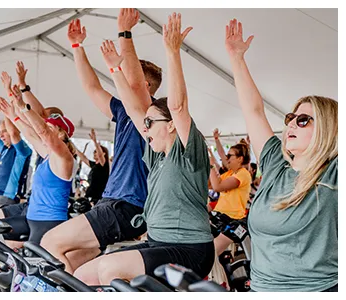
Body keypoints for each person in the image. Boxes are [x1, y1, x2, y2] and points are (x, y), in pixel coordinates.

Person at [73, 14, 215, 285]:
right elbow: (132, 108)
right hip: (158, 242)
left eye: (151, 122)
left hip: (190, 249)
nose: (144, 127)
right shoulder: (154, 153)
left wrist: (172, 52)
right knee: (83, 276)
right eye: (144, 123)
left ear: (172, 125)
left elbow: (178, 106)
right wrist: (115, 71)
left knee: (110, 270)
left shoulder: (188, 151)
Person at [40, 10, 158, 274]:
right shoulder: (124, 111)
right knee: (76, 262)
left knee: (49, 242)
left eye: (127, 77)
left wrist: (124, 32)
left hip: (127, 206)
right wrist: (76, 47)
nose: (120, 81)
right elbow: (92, 87)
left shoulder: (150, 114)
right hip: (113, 203)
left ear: (145, 86)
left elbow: (135, 84)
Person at [224, 18, 338, 292]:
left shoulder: (333, 173)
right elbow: (253, 111)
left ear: (329, 128)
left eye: (303, 120)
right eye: (290, 117)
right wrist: (236, 58)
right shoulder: (275, 164)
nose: (290, 124)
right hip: (261, 288)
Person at [0, 86, 75, 247]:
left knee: (36, 268)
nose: (45, 131)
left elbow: (42, 131)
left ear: (62, 134)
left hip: (48, 223)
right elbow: (31, 134)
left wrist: (23, 107)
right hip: (31, 217)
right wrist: (12, 115)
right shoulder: (47, 154)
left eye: (52, 129)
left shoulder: (64, 157)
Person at [0, 101, 31, 211]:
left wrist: (8, 113)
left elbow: (14, 134)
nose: (1, 135)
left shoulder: (22, 150)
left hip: (5, 197)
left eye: (4, 131)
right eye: (1, 131)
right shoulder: (4, 148)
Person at [73, 130, 110, 202]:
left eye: (96, 151)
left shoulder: (103, 165)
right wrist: (73, 147)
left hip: (98, 197)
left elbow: (100, 155)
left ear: (104, 154)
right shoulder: (94, 165)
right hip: (90, 196)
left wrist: (95, 142)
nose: (94, 153)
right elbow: (83, 158)